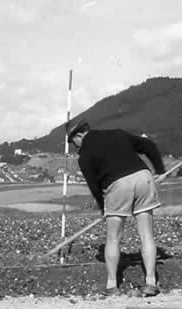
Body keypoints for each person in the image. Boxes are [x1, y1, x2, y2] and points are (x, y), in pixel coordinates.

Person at [66, 119, 165, 297]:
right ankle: (151, 282)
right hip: (144, 177)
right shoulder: (117, 133)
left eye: (73, 142)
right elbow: (148, 145)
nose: (75, 147)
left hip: (117, 184)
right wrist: (158, 169)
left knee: (113, 238)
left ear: (79, 136)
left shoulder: (85, 155)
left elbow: (95, 187)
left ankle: (112, 285)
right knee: (146, 234)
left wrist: (104, 209)